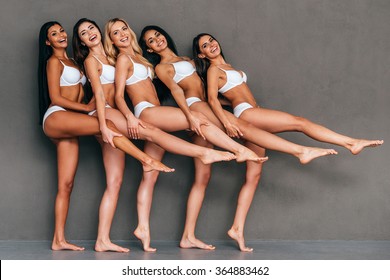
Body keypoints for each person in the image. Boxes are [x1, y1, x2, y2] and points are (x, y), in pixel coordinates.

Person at [139, 26, 340, 252]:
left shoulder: (188, 60)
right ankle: (298, 151)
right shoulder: (162, 67)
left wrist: (229, 105)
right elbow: (177, 92)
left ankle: (188, 236)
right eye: (151, 40)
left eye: (158, 35)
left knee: (202, 177)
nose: (157, 40)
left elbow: (209, 88)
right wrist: (191, 118)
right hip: (196, 107)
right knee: (244, 128)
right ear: (149, 48)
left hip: (203, 107)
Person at [193, 32, 384, 250]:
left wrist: (232, 103)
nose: (211, 45)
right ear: (202, 53)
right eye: (205, 45)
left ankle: (236, 228)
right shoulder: (214, 70)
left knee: (253, 175)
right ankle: (350, 143)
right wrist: (226, 123)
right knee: (299, 122)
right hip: (247, 114)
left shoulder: (229, 67)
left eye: (211, 40)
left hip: (251, 112)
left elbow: (230, 94)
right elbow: (211, 99)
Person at [72, 18, 240, 252]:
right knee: (154, 133)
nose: (90, 32)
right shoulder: (98, 60)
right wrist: (108, 123)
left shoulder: (114, 58)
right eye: (84, 32)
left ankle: (111, 237)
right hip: (111, 115)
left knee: (118, 180)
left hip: (123, 112)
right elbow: (102, 95)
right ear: (80, 40)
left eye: (92, 28)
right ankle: (206, 152)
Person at [104, 18, 269, 252]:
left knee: (150, 173)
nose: (121, 34)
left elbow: (184, 87)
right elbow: (120, 95)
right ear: (111, 40)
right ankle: (238, 149)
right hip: (146, 112)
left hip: (156, 111)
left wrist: (230, 100)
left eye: (123, 29)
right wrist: (130, 117)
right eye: (115, 32)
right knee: (199, 120)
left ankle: (152, 229)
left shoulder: (140, 58)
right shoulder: (123, 58)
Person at [38, 21, 173, 251]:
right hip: (59, 115)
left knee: (67, 184)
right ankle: (145, 159)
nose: (60, 35)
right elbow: (56, 98)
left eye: (62, 31)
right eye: (54, 33)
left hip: (74, 121)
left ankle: (60, 240)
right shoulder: (53, 62)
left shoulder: (76, 62)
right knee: (108, 125)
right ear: (47, 42)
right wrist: (88, 107)